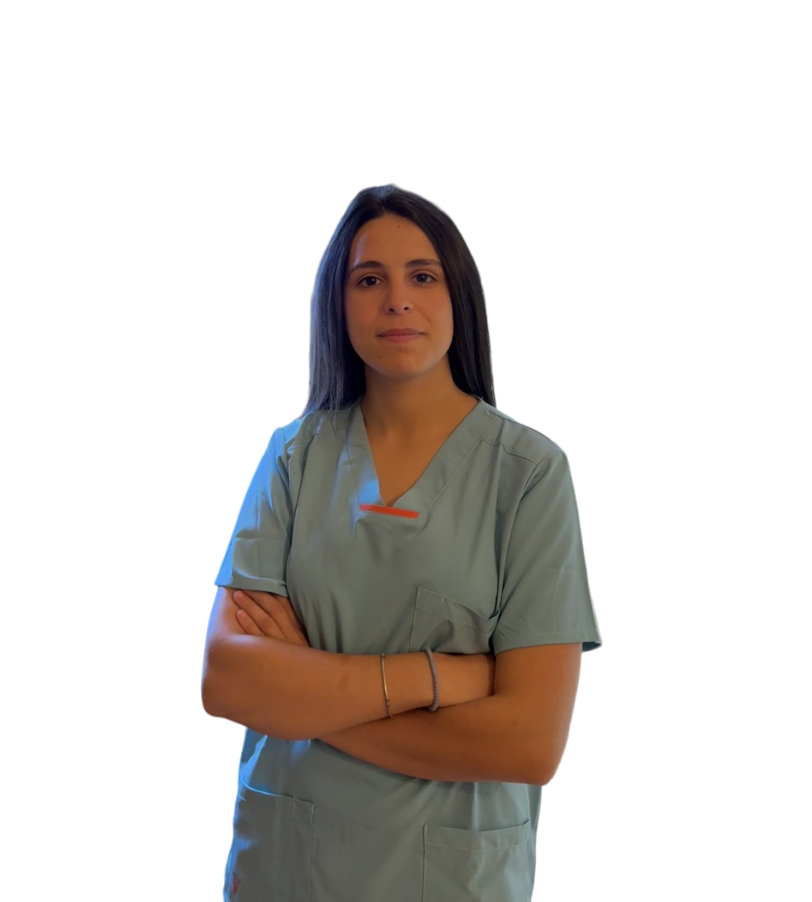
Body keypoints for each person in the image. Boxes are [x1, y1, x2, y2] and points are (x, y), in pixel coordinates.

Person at [201, 184, 603, 902]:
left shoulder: (529, 476)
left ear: (460, 296)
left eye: (422, 275)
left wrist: (305, 697)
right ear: (338, 301)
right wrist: (440, 677)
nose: (396, 299)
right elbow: (228, 680)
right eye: (368, 279)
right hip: (287, 869)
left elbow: (530, 743)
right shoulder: (293, 457)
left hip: (446, 881)